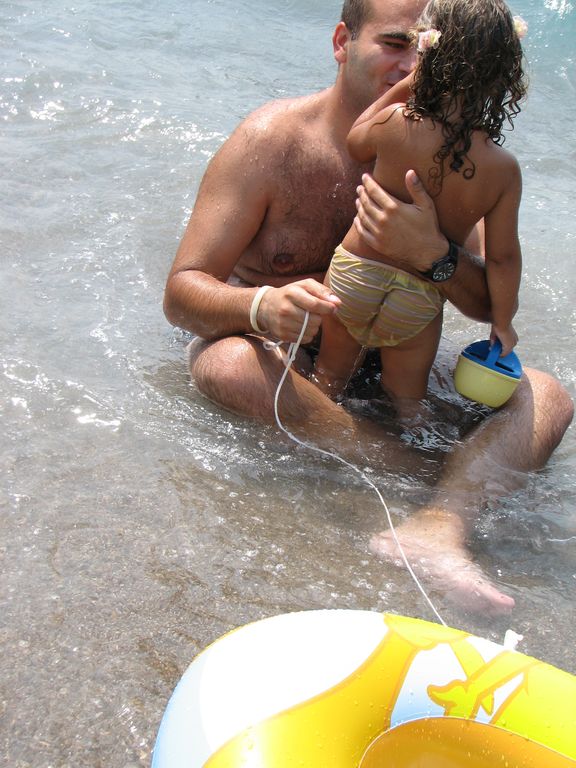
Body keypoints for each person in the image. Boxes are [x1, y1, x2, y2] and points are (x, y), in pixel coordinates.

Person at [163, 0, 573, 614]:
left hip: (396, 359)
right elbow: (182, 292)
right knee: (227, 364)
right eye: (396, 43)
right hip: (291, 364)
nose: (413, 64)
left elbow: (489, 301)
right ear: (342, 42)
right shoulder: (274, 142)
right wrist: (263, 304)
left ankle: (438, 524)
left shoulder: (453, 157)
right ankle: (433, 480)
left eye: (428, 47)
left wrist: (434, 254)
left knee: (547, 397)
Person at [313, 0, 525, 418]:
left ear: (427, 55)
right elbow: (503, 258)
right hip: (419, 296)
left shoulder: (395, 121)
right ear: (502, 76)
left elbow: (356, 142)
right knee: (409, 401)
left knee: (328, 377)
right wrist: (502, 322)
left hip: (355, 275)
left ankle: (309, 437)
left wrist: (407, 85)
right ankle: (412, 448)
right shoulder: (502, 169)